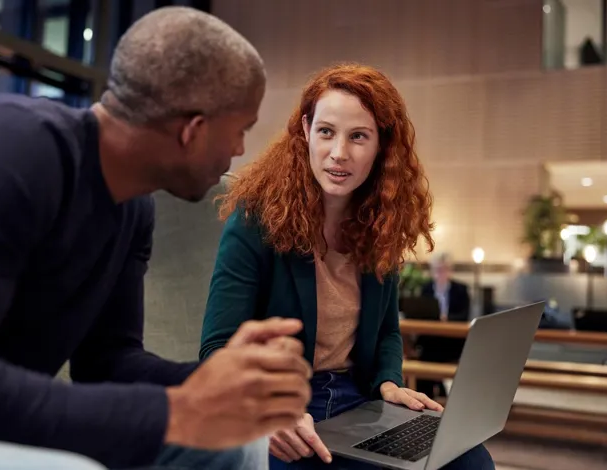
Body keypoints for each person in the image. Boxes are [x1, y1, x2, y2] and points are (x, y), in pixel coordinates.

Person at [0, 7, 313, 470]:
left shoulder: (132, 207)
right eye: (240, 130)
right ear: (193, 130)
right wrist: (175, 411)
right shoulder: (9, 148)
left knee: (236, 441)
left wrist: (223, 383)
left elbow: (106, 363)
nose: (240, 150)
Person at [199, 63, 496, 469]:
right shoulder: (257, 219)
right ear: (305, 130)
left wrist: (389, 382)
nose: (339, 153)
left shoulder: (382, 224)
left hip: (360, 401)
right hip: (283, 403)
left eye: (358, 136)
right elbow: (217, 348)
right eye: (326, 132)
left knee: (469, 461)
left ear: (381, 145)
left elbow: (388, 331)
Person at [416, 253, 471, 399]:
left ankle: (440, 392)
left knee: (432, 356)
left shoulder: (461, 289)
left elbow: (464, 316)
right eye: (437, 269)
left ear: (449, 270)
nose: (440, 273)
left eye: (443, 269)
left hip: (451, 341)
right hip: (431, 340)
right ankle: (428, 395)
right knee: (425, 358)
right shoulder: (426, 289)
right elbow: (421, 313)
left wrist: (446, 319)